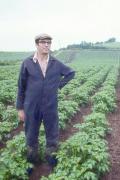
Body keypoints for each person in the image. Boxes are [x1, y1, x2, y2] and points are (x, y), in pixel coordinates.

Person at [16, 33, 75, 169]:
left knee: (52, 134)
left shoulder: (55, 63)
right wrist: (20, 108)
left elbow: (71, 73)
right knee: (31, 134)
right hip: (31, 106)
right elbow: (21, 86)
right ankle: (32, 161)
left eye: (49, 42)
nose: (47, 45)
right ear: (37, 44)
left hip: (50, 105)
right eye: (43, 42)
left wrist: (59, 85)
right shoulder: (27, 63)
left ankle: (51, 161)